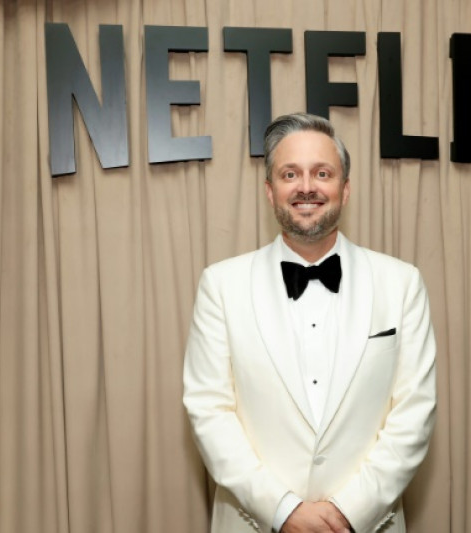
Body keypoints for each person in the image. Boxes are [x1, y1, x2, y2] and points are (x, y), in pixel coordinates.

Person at [183, 113, 436, 533]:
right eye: (290, 174)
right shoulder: (220, 286)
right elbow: (209, 412)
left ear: (345, 188)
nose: (306, 187)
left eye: (322, 173)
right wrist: (283, 511)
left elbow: (415, 414)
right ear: (270, 191)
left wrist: (347, 513)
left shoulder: (402, 283)